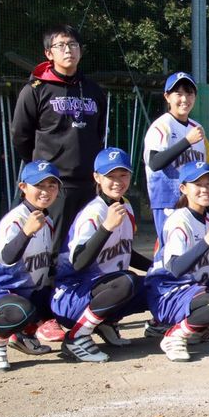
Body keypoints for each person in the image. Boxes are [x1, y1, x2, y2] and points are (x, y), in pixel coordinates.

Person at [11, 24, 108, 343]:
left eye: (74, 44)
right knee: (48, 251)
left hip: (88, 185)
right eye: (62, 45)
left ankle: (80, 309)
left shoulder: (93, 90)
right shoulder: (36, 90)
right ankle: (42, 316)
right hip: (53, 188)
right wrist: (44, 174)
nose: (69, 50)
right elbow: (21, 137)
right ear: (48, 53)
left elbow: (99, 133)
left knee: (84, 249)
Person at [52, 148, 150, 362]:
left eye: (123, 175)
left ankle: (104, 322)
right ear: (97, 177)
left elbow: (126, 251)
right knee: (126, 281)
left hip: (103, 289)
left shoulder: (125, 206)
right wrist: (106, 227)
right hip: (72, 295)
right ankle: (77, 336)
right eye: (110, 176)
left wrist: (156, 268)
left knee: (156, 283)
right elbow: (79, 263)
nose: (118, 181)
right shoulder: (94, 212)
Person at [0, 161, 61, 372]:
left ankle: (23, 335)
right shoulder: (15, 220)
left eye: (51, 185)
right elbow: (8, 258)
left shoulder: (46, 221)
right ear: (23, 187)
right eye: (39, 185)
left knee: (65, 300)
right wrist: (26, 232)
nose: (46, 191)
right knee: (20, 310)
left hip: (23, 294)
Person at [145, 162, 209, 362]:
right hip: (168, 293)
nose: (205, 189)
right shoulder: (179, 220)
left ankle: (200, 329)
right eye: (197, 184)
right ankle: (175, 335)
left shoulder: (207, 219)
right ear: (183, 188)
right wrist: (208, 240)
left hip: (190, 290)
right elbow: (176, 268)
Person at [143, 72, 209, 244]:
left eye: (189, 93)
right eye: (179, 94)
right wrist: (187, 141)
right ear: (167, 97)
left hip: (194, 199)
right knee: (172, 247)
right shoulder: (161, 126)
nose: (184, 99)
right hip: (167, 198)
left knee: (196, 246)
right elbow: (155, 163)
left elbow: (204, 167)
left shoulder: (197, 128)